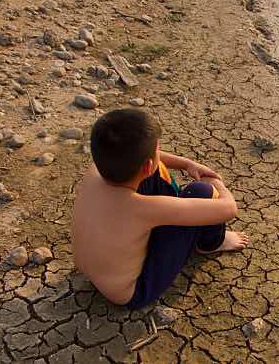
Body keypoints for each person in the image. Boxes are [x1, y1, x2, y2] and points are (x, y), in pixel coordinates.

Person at [72, 108, 249, 309]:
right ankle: (211, 243)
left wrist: (187, 164)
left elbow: (148, 159)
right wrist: (217, 183)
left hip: (94, 272)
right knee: (201, 191)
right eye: (158, 149)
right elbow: (228, 209)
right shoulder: (143, 208)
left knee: (154, 171)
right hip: (133, 292)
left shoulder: (95, 171)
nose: (159, 153)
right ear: (147, 164)